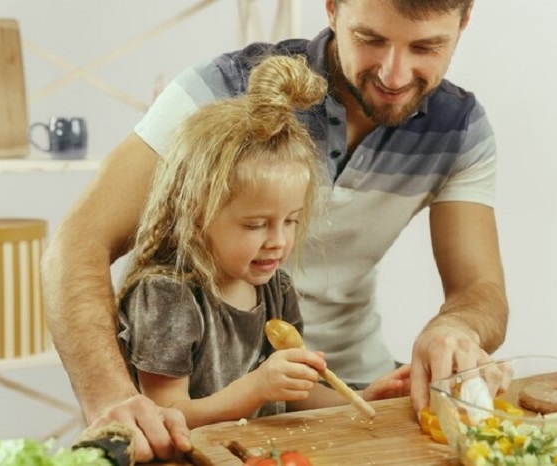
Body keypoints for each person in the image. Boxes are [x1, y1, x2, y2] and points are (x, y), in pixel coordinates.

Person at [42, 0, 508, 461]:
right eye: (370, 39)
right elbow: (76, 245)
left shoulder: (461, 127)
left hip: (342, 389)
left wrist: (453, 327)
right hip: (206, 416)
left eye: (426, 47)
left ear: (465, 21)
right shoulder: (221, 90)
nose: (394, 74)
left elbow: (480, 289)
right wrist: (112, 400)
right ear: (331, 8)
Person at [116, 54, 410, 430]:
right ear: (196, 212)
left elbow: (293, 394)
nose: (278, 241)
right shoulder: (166, 297)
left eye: (290, 221)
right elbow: (166, 414)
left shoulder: (276, 289)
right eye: (256, 225)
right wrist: (257, 388)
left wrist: (356, 399)